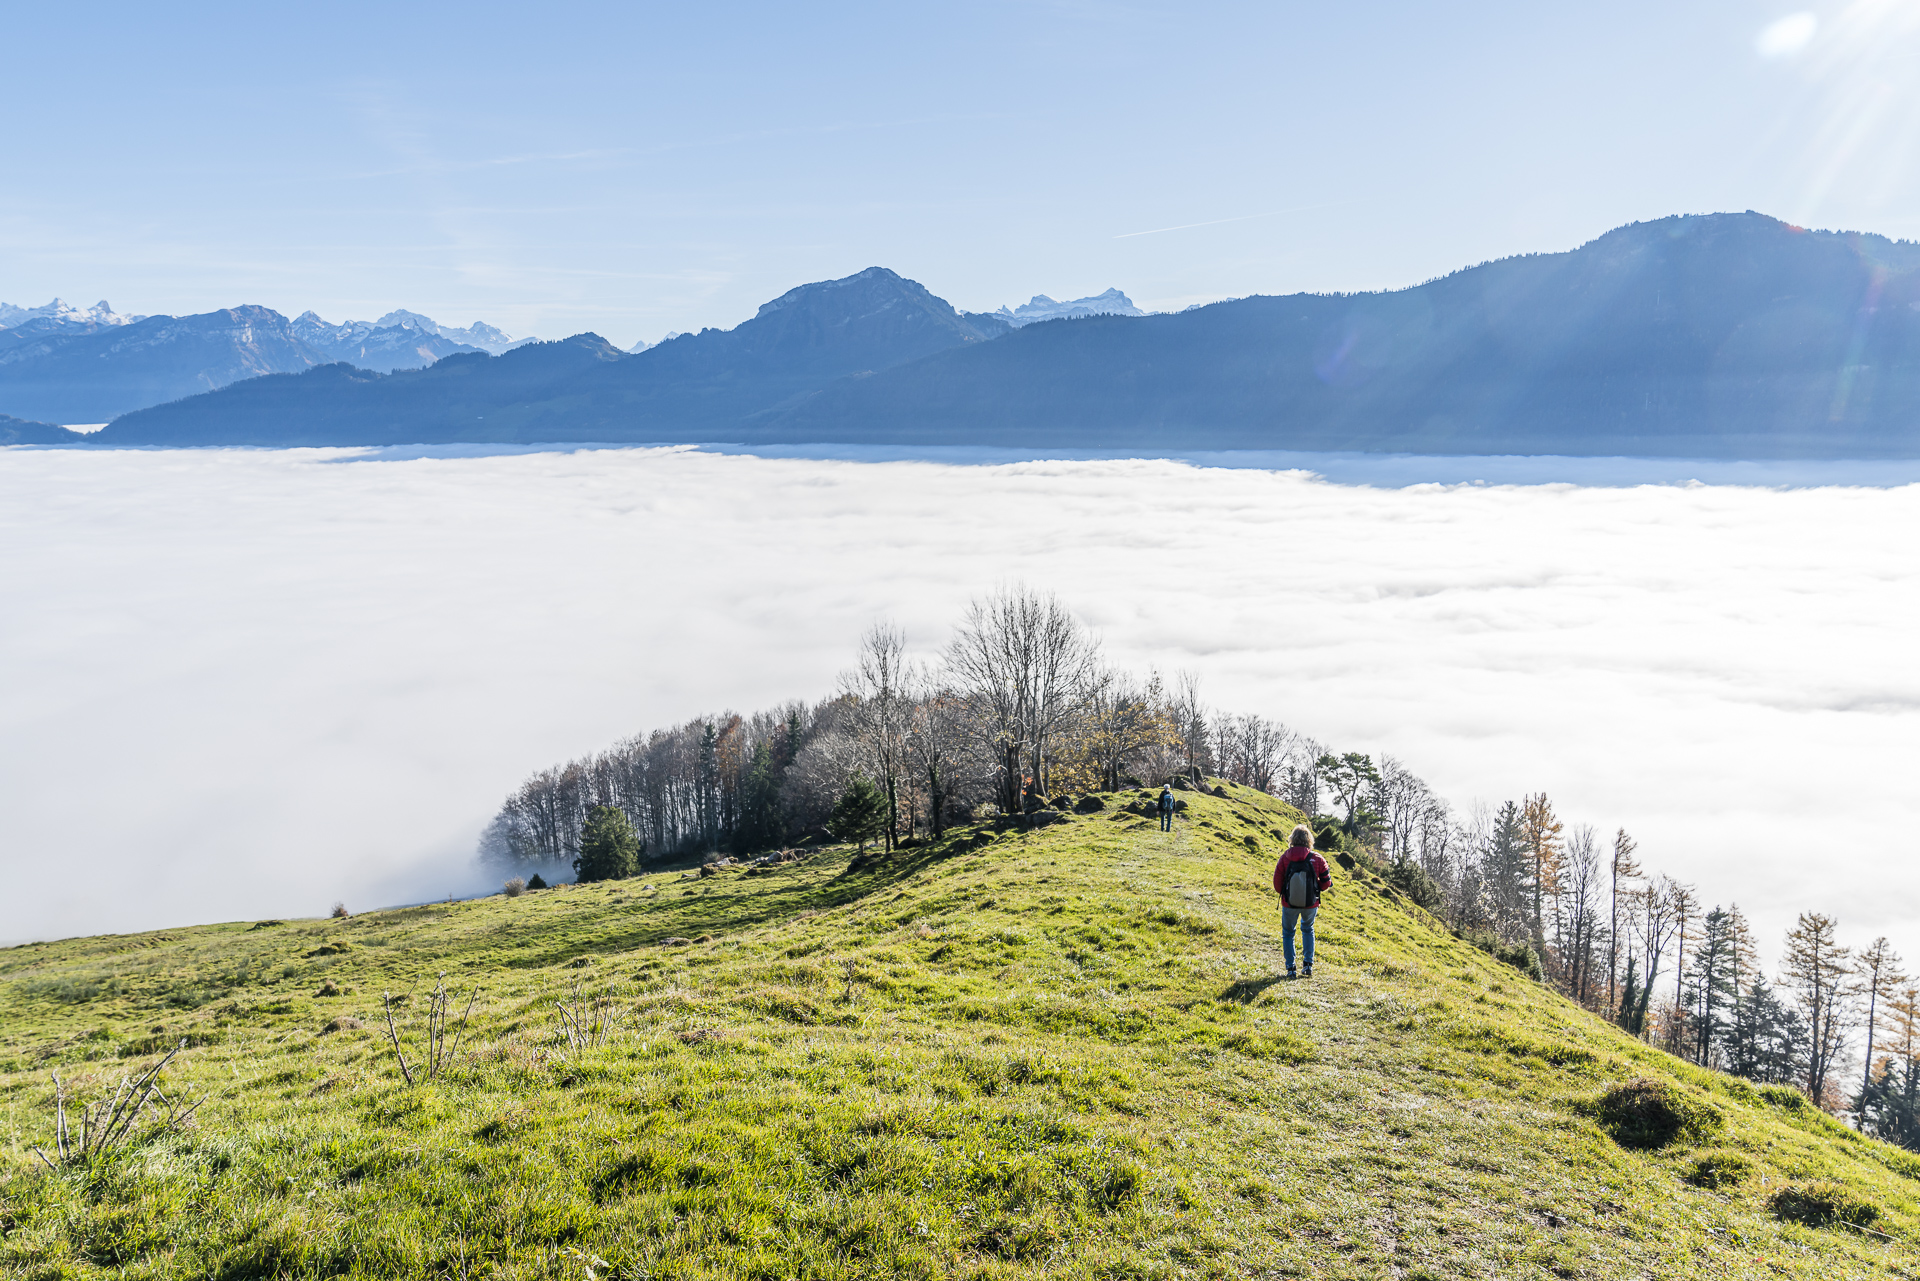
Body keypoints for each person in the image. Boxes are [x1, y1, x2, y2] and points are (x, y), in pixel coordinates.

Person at [1273, 824, 1331, 977]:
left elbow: (1277, 883)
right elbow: (1327, 883)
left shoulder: (1285, 857)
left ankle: (1291, 968)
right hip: (1310, 904)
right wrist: (1314, 889)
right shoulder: (1317, 859)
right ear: (1309, 840)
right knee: (1307, 929)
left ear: (1292, 839)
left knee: (1288, 933)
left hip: (1289, 903)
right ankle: (1307, 966)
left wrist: (1287, 893)